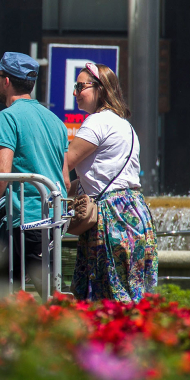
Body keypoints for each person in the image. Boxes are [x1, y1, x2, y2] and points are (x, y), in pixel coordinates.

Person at [0, 52, 69, 296]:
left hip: (22, 222)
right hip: (52, 222)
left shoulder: (8, 117)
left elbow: (1, 172)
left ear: (7, 80)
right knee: (49, 296)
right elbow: (64, 180)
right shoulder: (56, 122)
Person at [65, 63, 158, 302]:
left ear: (101, 88)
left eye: (80, 86)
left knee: (107, 294)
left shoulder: (96, 122)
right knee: (133, 292)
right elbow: (103, 176)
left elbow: (64, 163)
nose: (75, 92)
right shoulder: (125, 126)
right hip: (135, 212)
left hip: (111, 217)